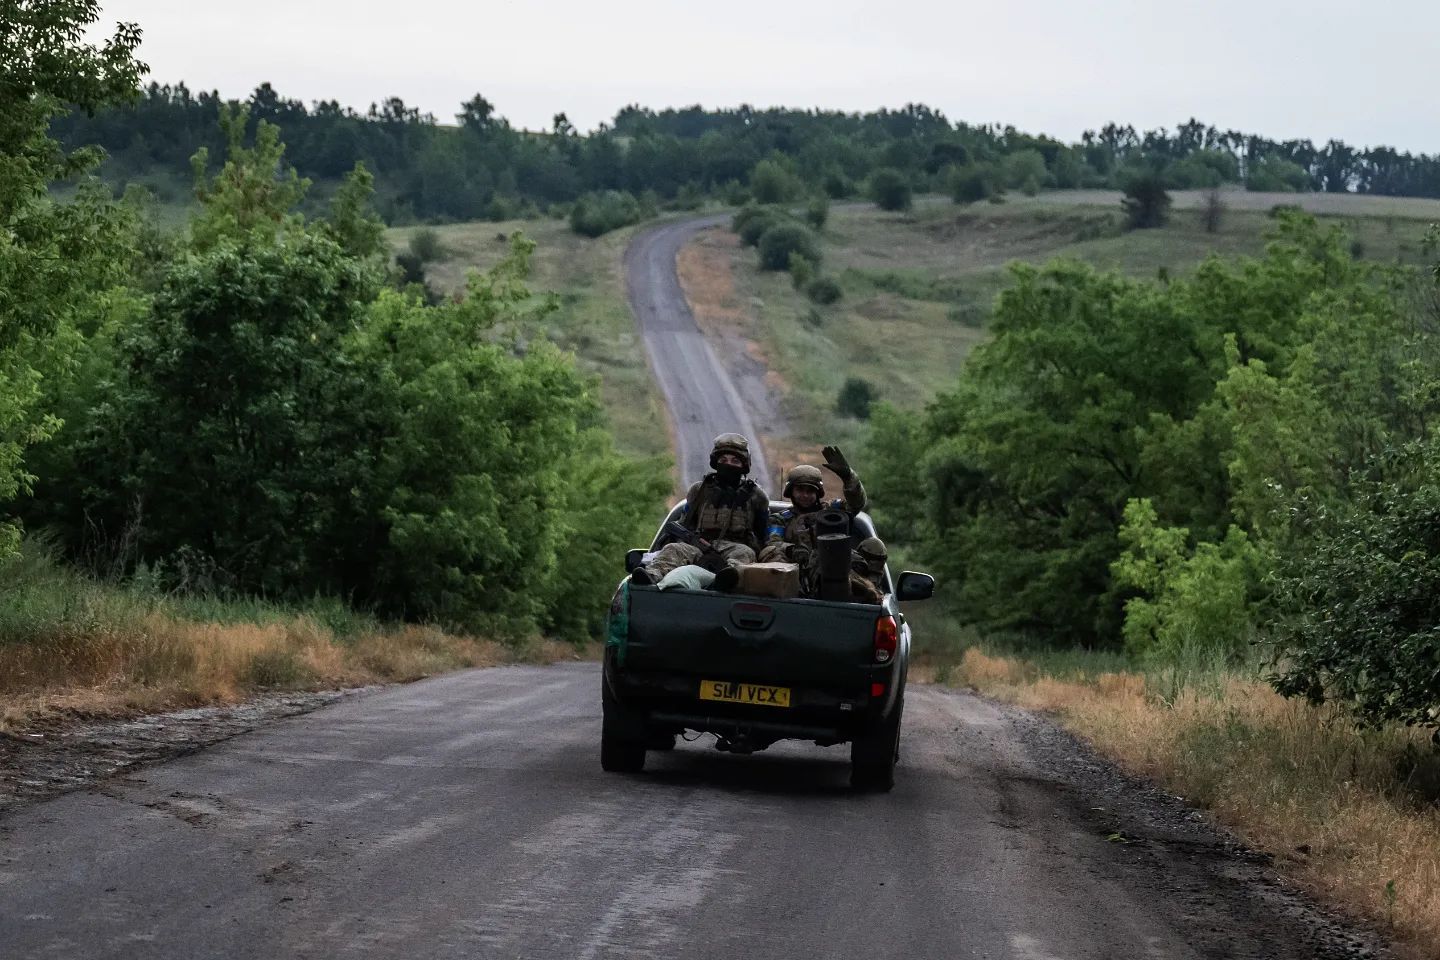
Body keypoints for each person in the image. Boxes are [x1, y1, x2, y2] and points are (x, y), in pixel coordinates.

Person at [631, 433, 771, 585]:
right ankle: (651, 576)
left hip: (735, 547)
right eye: (723, 460)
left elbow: (764, 535)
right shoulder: (699, 490)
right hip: (699, 545)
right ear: (715, 462)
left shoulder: (756, 496)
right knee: (673, 548)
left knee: (745, 553)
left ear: (744, 465)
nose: (728, 464)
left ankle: (725, 582)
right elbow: (684, 523)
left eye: (735, 461)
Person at [758, 445, 868, 567]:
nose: (805, 495)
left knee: (873, 546)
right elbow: (773, 543)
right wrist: (792, 550)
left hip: (834, 571)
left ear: (818, 493)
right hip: (796, 575)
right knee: (772, 554)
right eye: (800, 490)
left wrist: (849, 477)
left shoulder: (832, 512)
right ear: (791, 492)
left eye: (810, 491)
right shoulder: (780, 519)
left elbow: (856, 503)